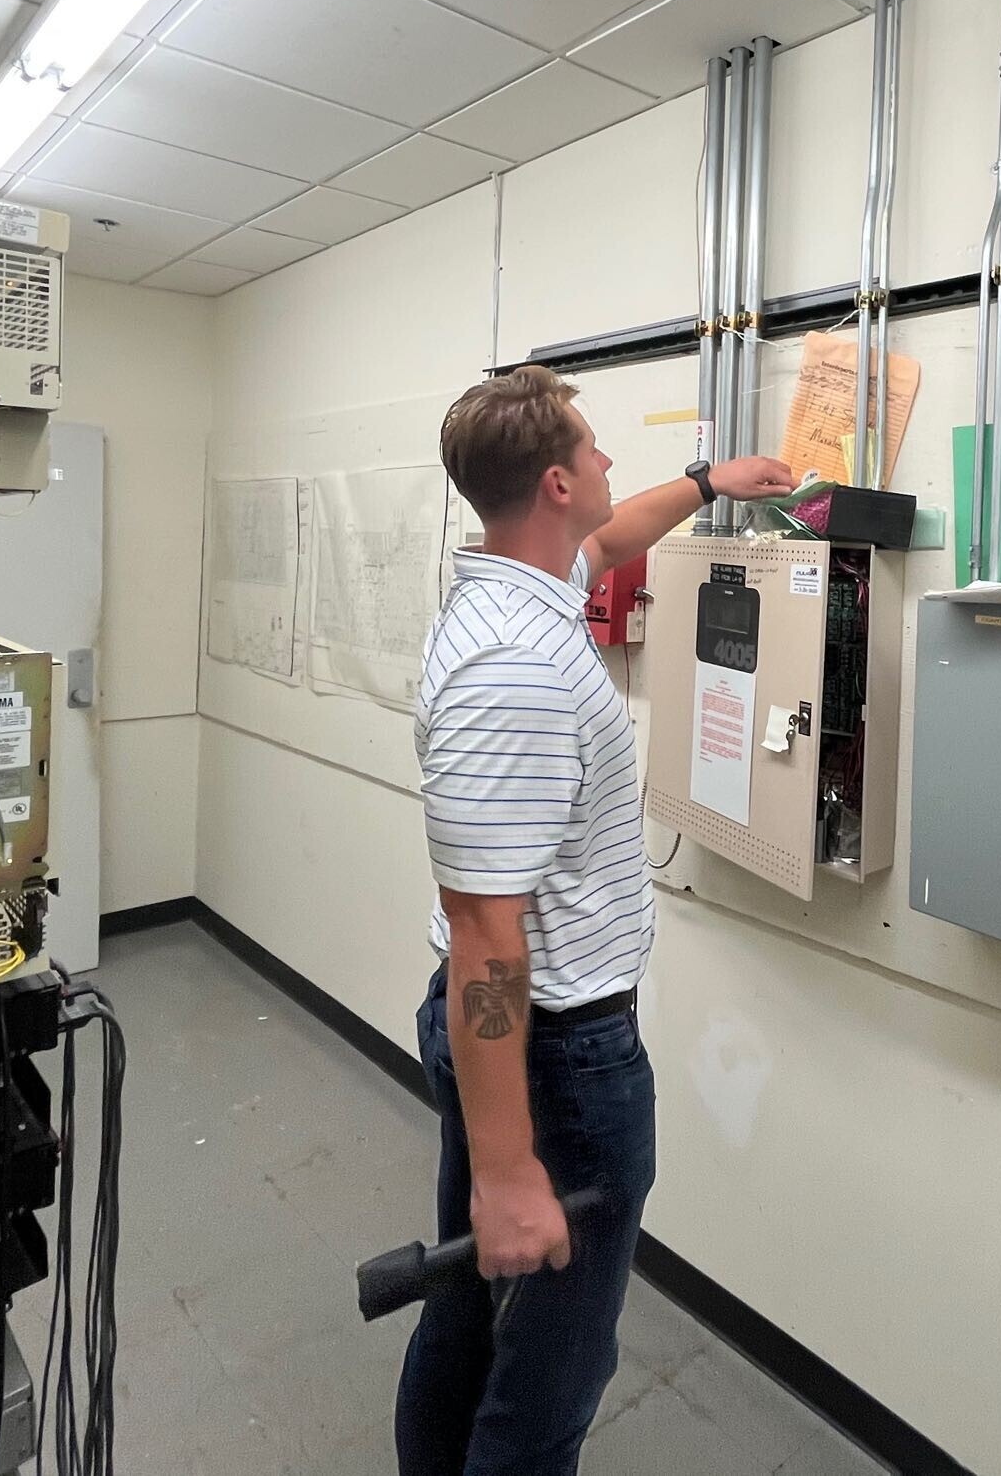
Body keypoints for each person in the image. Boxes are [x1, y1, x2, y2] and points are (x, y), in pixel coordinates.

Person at [395, 365, 795, 1475]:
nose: (615, 464)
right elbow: (485, 936)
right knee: (547, 1385)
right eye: (596, 448)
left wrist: (712, 482)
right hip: (550, 1061)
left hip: (533, 1051)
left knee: (472, 1319)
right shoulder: (514, 670)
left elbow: (614, 538)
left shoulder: (516, 583)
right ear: (557, 481)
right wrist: (511, 1170)